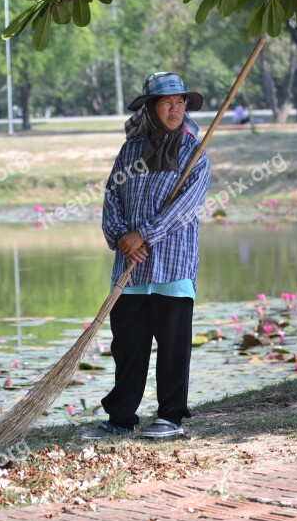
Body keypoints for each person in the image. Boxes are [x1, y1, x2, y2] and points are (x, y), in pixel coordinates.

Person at [80, 72, 211, 441]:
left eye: (181, 102)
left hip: (173, 264)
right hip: (130, 269)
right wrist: (122, 236)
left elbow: (186, 207)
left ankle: (170, 416)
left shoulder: (194, 153)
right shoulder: (130, 152)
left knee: (173, 345)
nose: (175, 109)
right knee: (128, 346)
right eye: (167, 103)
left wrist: (145, 235)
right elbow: (111, 198)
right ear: (150, 109)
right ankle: (121, 417)